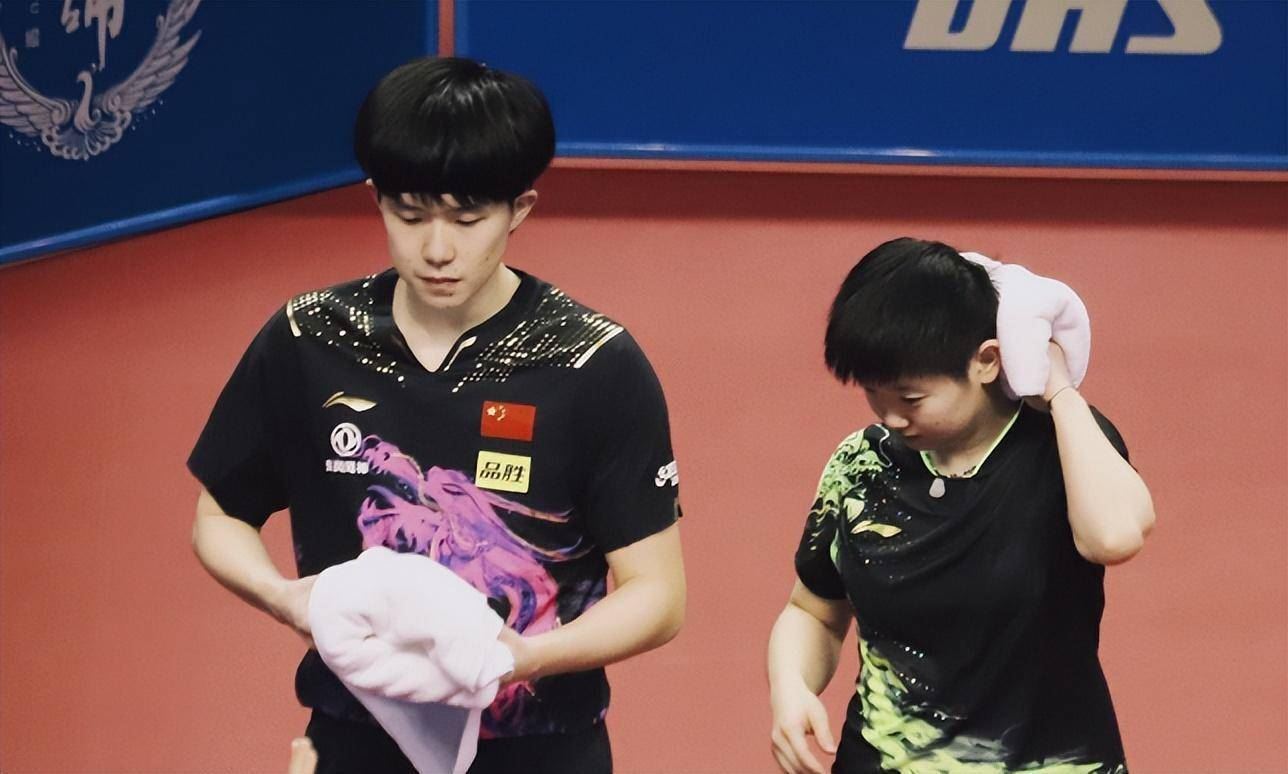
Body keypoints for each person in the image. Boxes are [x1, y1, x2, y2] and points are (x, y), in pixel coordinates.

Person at [189, 56, 685, 774]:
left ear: (520, 209)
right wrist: (283, 599)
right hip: (356, 734)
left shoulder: (591, 361)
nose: (437, 249)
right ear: (376, 199)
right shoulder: (308, 338)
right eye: (410, 215)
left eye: (468, 218)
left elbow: (658, 594)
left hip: (540, 746)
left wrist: (523, 658)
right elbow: (219, 514)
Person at [766, 238, 1154, 774]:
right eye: (875, 395)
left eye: (911, 399)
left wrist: (1058, 387)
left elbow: (1114, 536)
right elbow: (813, 610)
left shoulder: (1061, 447)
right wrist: (791, 688)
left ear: (986, 361)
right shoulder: (861, 465)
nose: (890, 418)